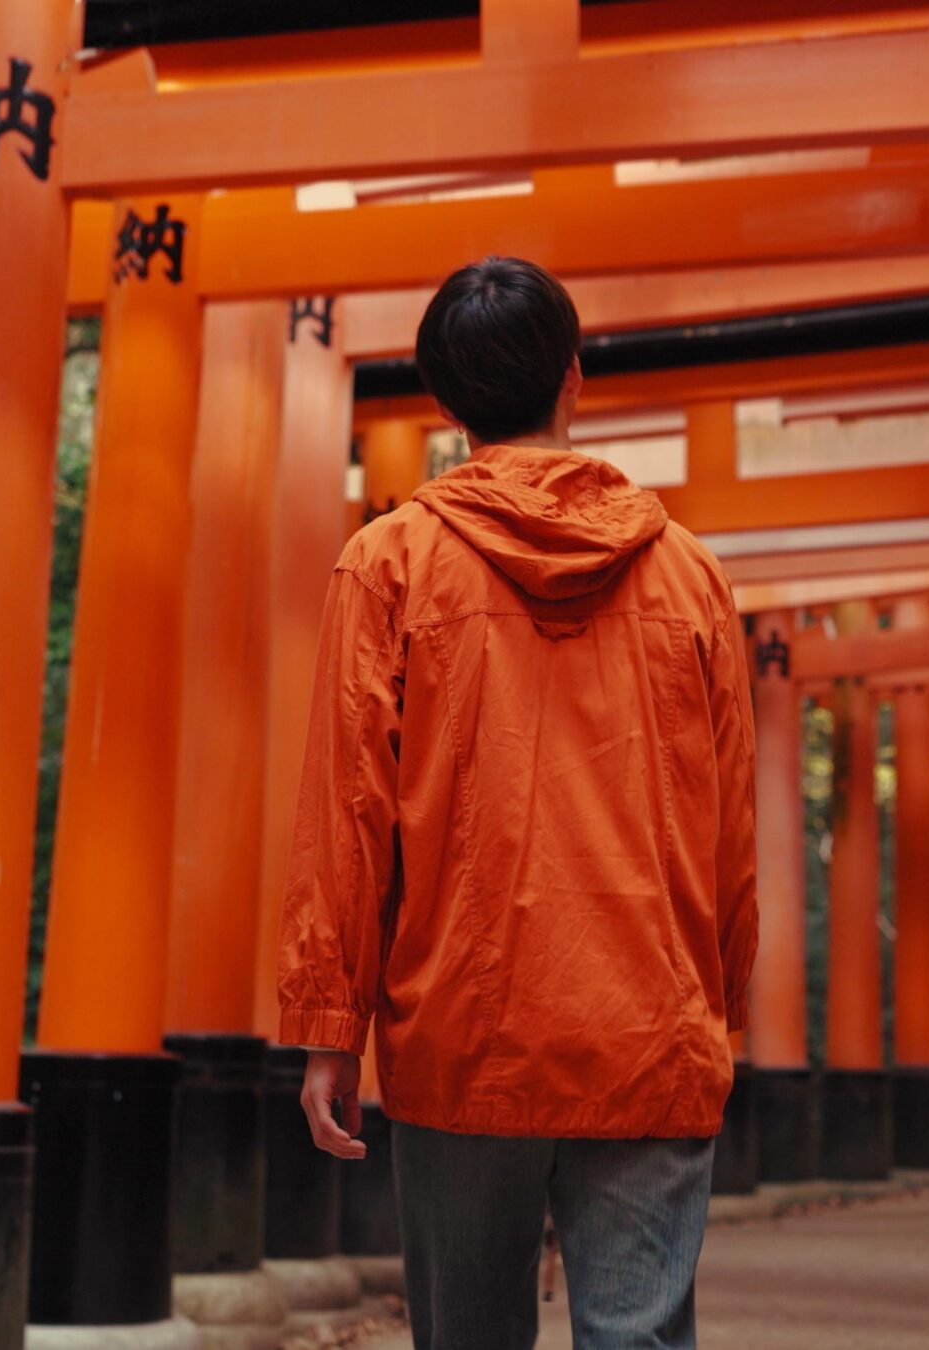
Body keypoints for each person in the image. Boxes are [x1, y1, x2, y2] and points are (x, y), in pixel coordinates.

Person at [275, 256, 760, 1350]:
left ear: (444, 406)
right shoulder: (690, 578)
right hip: (649, 1025)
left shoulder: (387, 566)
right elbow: (729, 827)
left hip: (462, 1032)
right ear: (574, 379)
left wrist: (327, 1030)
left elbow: (346, 816)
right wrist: (718, 1003)